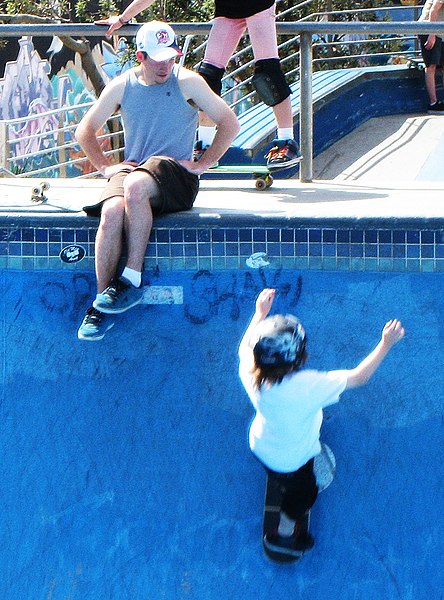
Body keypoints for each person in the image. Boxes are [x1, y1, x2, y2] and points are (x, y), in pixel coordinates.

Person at [76, 21, 239, 341]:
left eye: (171, 57)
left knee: (135, 185)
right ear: (140, 56)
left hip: (175, 175)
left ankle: (132, 278)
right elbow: (85, 130)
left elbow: (229, 122)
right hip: (135, 168)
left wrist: (203, 164)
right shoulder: (122, 86)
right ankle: (101, 304)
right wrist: (106, 167)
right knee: (110, 212)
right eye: (158, 58)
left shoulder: (188, 82)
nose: (166, 65)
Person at [238, 288, 405, 557]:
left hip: (260, 443)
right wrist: (386, 343)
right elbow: (358, 377)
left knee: (279, 475)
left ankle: (277, 480)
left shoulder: (249, 368)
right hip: (293, 459)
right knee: (303, 496)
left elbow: (244, 346)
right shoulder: (308, 386)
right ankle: (282, 534)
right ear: (298, 358)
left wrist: (260, 313)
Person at [96, 1, 300, 169]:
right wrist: (123, 18)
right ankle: (205, 143)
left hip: (260, 6)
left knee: (268, 74)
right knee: (207, 78)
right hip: (228, 11)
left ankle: (286, 141)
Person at [418, 0, 444, 114]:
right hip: (429, 30)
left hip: (440, 31)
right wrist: (431, 34)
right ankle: (433, 103)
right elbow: (433, 10)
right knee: (431, 65)